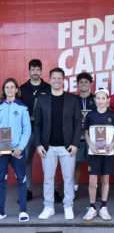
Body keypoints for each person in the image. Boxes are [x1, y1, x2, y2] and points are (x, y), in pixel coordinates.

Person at [34, 68, 81, 220]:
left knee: (69, 178)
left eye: (59, 78)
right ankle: (49, 207)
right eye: (54, 78)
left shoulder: (72, 99)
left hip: (67, 147)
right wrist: (38, 144)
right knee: (48, 179)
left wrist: (75, 144)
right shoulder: (41, 99)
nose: (56, 81)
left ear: (63, 80)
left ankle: (68, 206)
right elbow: (38, 123)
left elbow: (77, 123)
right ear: (50, 79)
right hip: (48, 148)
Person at [20, 59, 54, 201]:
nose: (35, 72)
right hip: (27, 131)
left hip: (45, 131)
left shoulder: (47, 88)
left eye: (38, 69)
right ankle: (27, 190)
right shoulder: (21, 89)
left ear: (41, 71)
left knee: (50, 160)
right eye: (33, 69)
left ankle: (55, 191)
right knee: (26, 160)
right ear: (29, 71)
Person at [82, 88, 114, 221]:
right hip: (94, 152)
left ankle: (103, 207)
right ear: (94, 100)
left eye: (104, 98)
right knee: (92, 181)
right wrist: (91, 145)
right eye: (98, 98)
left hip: (108, 153)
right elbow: (86, 133)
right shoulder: (90, 115)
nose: (101, 100)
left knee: (105, 180)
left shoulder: (113, 115)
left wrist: (112, 144)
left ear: (108, 100)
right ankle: (92, 207)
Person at [0, 78, 31, 222]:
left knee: (21, 180)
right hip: (2, 151)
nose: (10, 90)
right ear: (4, 90)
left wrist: (20, 147)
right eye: (7, 87)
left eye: (12, 87)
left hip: (17, 150)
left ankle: (23, 211)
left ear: (17, 89)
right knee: (1, 180)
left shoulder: (22, 107)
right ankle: (1, 212)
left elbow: (27, 130)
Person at [74, 72, 96, 199]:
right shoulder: (73, 100)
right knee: (77, 165)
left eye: (86, 82)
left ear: (90, 84)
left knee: (94, 165)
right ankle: (74, 189)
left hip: (93, 139)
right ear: (77, 84)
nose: (83, 84)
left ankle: (96, 189)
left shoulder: (95, 99)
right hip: (78, 138)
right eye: (81, 82)